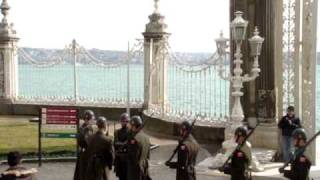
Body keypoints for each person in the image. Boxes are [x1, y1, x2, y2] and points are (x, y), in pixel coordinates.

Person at [73, 110, 97, 180]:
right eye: (92, 118)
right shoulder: (83, 129)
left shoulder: (91, 128)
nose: (94, 120)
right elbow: (85, 141)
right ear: (87, 119)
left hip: (89, 154)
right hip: (84, 155)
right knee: (83, 174)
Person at [127, 116, 151, 180]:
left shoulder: (134, 139)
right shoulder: (146, 137)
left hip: (135, 171)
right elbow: (148, 155)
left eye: (130, 125)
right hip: (144, 166)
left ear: (134, 126)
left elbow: (133, 158)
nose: (129, 126)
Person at [114, 113, 130, 180]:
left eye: (125, 121)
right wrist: (124, 144)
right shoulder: (117, 132)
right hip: (120, 157)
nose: (123, 123)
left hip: (128, 158)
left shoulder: (131, 132)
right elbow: (115, 144)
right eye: (122, 121)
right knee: (121, 177)